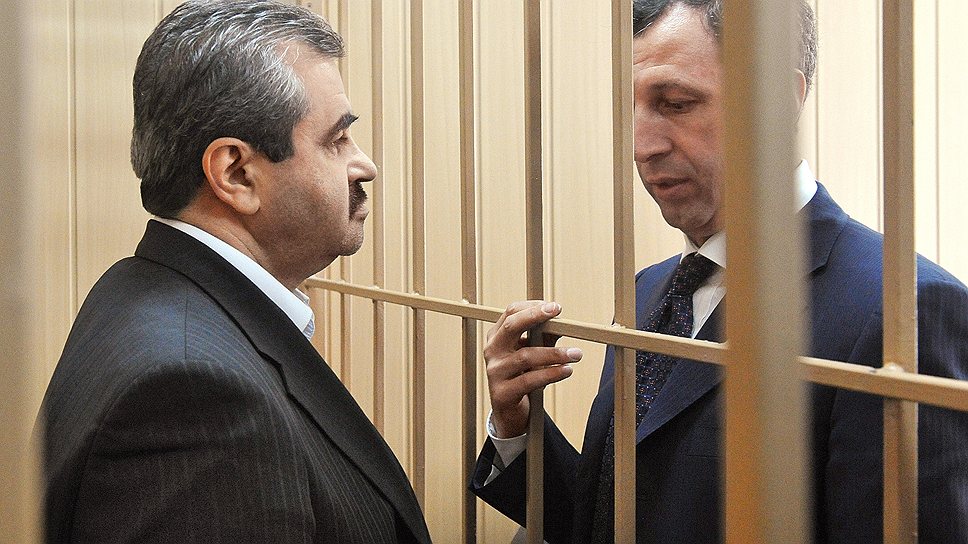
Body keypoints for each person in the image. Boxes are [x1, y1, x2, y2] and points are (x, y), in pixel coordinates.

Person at [470, 1, 968, 543]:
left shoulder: (901, 308)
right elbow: (616, 516)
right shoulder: (649, 288)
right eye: (629, 108)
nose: (641, 146)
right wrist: (518, 427)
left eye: (676, 104)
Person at [40, 2, 431, 543]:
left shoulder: (142, 288)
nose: (364, 165)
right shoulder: (194, 395)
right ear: (236, 173)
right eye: (336, 140)